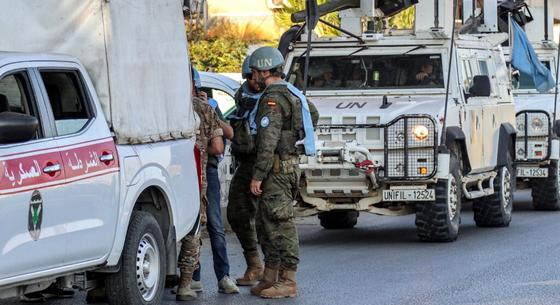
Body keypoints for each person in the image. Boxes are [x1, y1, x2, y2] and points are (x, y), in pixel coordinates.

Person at [248, 46, 318, 299]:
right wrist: (295, 136)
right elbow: (314, 114)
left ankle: (288, 281)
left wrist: (257, 175)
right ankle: (270, 277)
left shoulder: (272, 99)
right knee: (267, 224)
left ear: (265, 71)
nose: (252, 76)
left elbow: (268, 140)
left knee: (280, 224)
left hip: (276, 170)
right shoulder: (292, 93)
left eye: (254, 71)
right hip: (285, 167)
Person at [176, 67, 226, 301]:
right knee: (197, 228)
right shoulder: (204, 108)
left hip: (168, 176)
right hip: (198, 177)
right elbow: (218, 147)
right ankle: (187, 283)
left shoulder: (167, 109)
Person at [189, 68, 238, 294]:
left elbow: (229, 133)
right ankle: (223, 277)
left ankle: (192, 277)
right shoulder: (203, 109)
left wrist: (213, 112)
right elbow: (218, 146)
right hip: (204, 169)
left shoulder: (205, 109)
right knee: (214, 225)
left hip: (186, 170)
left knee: (192, 225)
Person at [226, 55, 265, 287]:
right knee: (237, 212)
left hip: (268, 162)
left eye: (255, 75)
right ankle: (255, 264)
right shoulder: (244, 97)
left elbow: (310, 115)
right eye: (248, 76)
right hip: (248, 161)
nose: (252, 80)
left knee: (269, 218)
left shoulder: (278, 95)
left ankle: (275, 270)